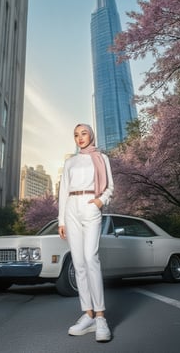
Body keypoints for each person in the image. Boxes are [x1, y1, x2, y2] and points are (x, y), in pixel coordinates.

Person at [58, 123, 114, 342]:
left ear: (91, 135)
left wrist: (99, 201)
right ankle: (88, 314)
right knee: (79, 262)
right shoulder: (69, 162)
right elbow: (63, 191)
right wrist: (61, 219)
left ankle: (101, 317)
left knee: (91, 258)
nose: (79, 138)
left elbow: (109, 186)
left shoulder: (101, 158)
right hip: (71, 206)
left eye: (83, 134)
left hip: (91, 205)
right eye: (76, 135)